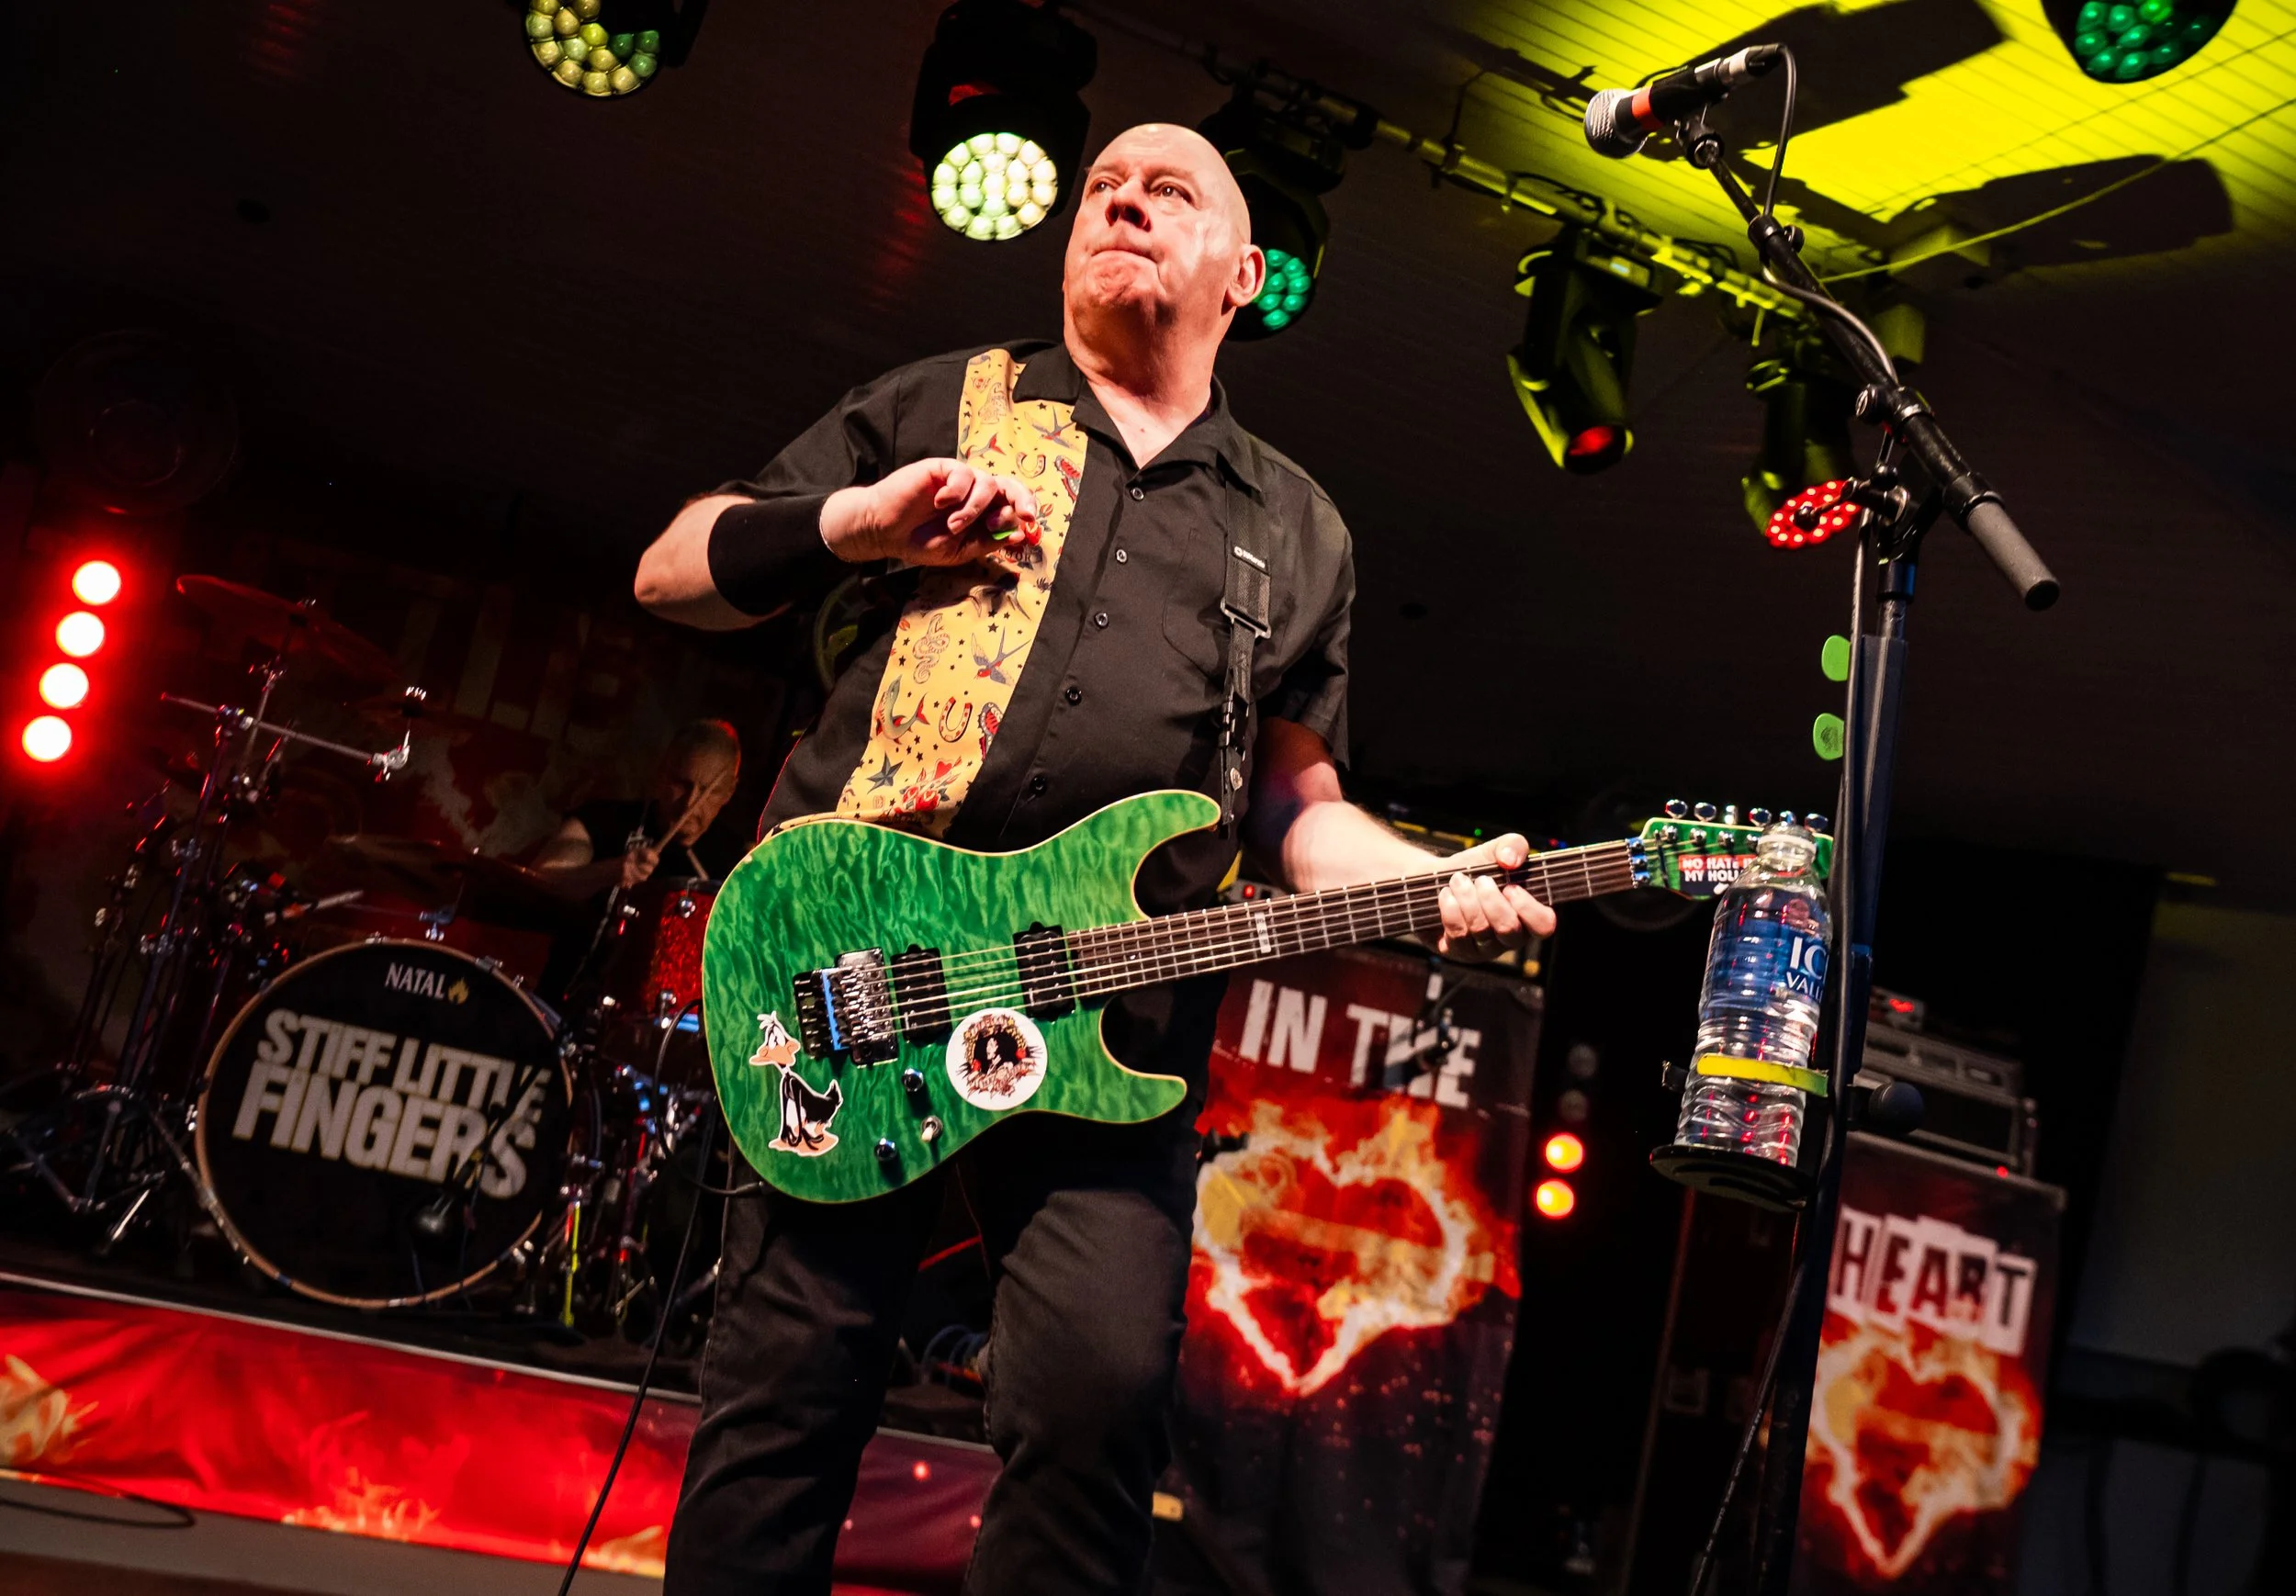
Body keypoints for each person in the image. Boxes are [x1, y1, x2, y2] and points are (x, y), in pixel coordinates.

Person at [633, 123, 1552, 1596]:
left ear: (1247, 273)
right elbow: (672, 568)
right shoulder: (942, 400)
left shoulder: (1295, 529)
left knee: (1097, 1408)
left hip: (1104, 1027)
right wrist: (856, 524)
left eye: (1167, 188)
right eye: (1102, 186)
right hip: (854, 970)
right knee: (788, 1400)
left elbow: (1294, 803)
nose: (1119, 197)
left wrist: (1423, 877)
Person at [533, 718, 748, 895]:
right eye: (682, 784)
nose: (690, 803)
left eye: (708, 791)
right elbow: (537, 883)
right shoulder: (600, 821)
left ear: (729, 792)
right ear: (662, 772)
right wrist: (610, 872)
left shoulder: (743, 862)